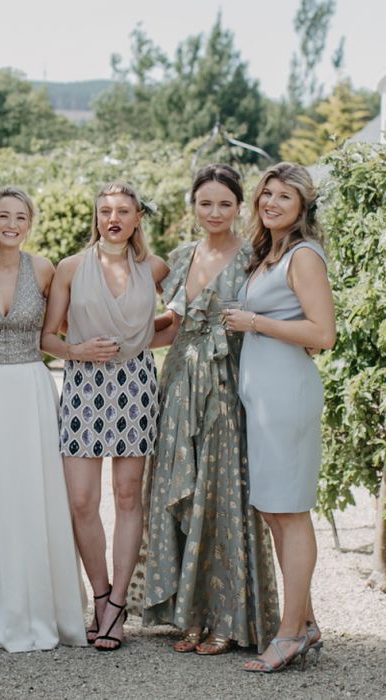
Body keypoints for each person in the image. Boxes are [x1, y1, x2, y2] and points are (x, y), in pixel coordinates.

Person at [142, 164, 280, 655]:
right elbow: (172, 325)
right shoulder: (181, 257)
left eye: (225, 203)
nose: (215, 212)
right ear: (193, 206)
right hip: (178, 383)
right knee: (184, 491)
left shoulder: (257, 258)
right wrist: (122, 340)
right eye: (206, 203)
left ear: (239, 207)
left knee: (222, 495)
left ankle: (229, 616)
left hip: (227, 384)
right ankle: (191, 616)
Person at [0, 187, 86, 652]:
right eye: (4, 216)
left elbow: (57, 332)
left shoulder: (45, 269)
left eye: (21, 217)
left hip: (31, 388)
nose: (12, 224)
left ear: (30, 224)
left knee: (34, 497)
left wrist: (79, 351)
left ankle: (42, 607)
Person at [41, 182, 168, 652]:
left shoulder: (154, 268)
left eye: (123, 211)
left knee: (128, 495)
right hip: (83, 386)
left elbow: (172, 322)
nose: (113, 218)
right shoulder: (71, 268)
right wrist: (78, 350)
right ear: (95, 218)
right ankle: (99, 595)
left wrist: (143, 342)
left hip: (135, 386)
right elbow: (47, 337)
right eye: (104, 211)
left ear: (137, 218)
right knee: (80, 501)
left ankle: (117, 608)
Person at [224, 162, 335, 672]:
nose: (270, 203)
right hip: (263, 402)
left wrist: (255, 322)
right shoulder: (269, 255)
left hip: (287, 400)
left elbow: (323, 334)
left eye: (283, 197)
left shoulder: (305, 256)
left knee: (290, 512)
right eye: (266, 194)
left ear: (302, 207)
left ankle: (289, 634)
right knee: (274, 511)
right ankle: (305, 621)